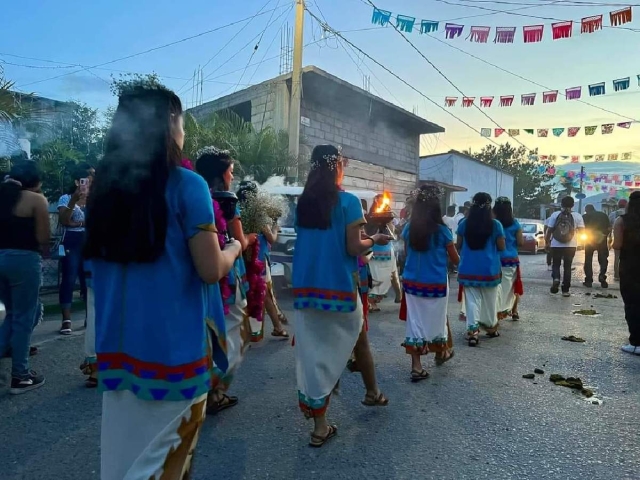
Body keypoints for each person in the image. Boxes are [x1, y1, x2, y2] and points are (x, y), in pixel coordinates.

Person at [84, 83, 240, 479]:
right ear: (170, 123)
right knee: (167, 460)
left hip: (119, 353)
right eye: (182, 123)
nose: (184, 133)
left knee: (129, 461)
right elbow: (210, 268)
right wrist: (235, 248)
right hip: (172, 356)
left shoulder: (104, 189)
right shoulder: (188, 185)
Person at [293, 144, 390, 447]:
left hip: (307, 289)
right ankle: (365, 396)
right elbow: (352, 247)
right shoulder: (348, 202)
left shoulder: (304, 203)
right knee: (350, 339)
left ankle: (325, 421)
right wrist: (374, 238)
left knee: (314, 352)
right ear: (337, 167)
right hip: (339, 288)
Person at [195, 147, 254, 415]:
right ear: (221, 175)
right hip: (227, 275)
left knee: (210, 333)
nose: (233, 177)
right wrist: (252, 238)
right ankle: (214, 390)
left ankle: (210, 389)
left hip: (201, 277)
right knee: (238, 334)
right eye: (231, 172)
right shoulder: (228, 201)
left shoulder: (194, 197)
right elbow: (239, 243)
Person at [0, 161, 50, 394]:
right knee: (22, 318)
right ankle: (20, 376)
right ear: (35, 181)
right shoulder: (36, 200)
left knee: (10, 316)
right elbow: (43, 238)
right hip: (24, 260)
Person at [401, 185, 458, 381]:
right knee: (437, 320)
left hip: (412, 281)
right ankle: (440, 352)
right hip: (436, 283)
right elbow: (455, 258)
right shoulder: (443, 231)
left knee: (414, 322)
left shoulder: (409, 228)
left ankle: (416, 366)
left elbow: (407, 254)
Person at [235, 180, 288, 341]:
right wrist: (275, 227)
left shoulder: (237, 212)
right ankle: (278, 327)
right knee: (265, 295)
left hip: (242, 259)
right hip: (258, 261)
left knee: (247, 293)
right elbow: (271, 239)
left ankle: (246, 330)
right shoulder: (258, 214)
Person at [457, 192, 505, 346]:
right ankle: (491, 328)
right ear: (489, 205)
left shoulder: (464, 223)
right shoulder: (496, 225)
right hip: (489, 269)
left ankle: (473, 332)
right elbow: (501, 246)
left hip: (468, 268)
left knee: (472, 301)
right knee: (490, 300)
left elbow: (458, 245)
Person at [57, 164, 93, 335]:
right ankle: (66, 319)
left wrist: (77, 223)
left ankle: (90, 316)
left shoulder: (95, 198)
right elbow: (64, 220)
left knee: (88, 281)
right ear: (77, 181)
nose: (92, 179)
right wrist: (73, 200)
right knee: (69, 279)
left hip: (90, 241)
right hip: (71, 241)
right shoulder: (65, 198)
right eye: (88, 176)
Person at [612, 192, 640, 355]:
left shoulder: (622, 221)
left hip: (630, 267)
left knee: (632, 303)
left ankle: (636, 342)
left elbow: (617, 245)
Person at [366, 195, 402, 311]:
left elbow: (393, 234)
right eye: (379, 203)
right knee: (375, 277)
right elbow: (368, 233)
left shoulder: (389, 218)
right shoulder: (369, 218)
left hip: (387, 251)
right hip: (374, 252)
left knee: (390, 274)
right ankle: (371, 302)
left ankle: (398, 294)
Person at [545, 196, 585, 297]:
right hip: (571, 245)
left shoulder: (555, 215)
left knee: (556, 264)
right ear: (573, 205)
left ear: (561, 204)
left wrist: (547, 243)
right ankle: (565, 290)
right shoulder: (577, 216)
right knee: (567, 266)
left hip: (556, 245)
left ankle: (556, 279)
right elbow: (582, 231)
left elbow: (549, 230)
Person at [493, 197, 524, 321]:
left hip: (494, 259)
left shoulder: (492, 223)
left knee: (495, 288)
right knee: (513, 286)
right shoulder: (515, 223)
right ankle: (514, 310)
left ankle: (495, 310)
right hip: (510, 260)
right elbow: (520, 242)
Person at [582, 204, 611, 288]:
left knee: (588, 259)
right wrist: (604, 235)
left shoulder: (585, 216)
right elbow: (609, 228)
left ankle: (588, 280)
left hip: (589, 240)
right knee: (603, 259)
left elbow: (581, 228)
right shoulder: (603, 215)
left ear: (586, 210)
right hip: (602, 240)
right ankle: (602, 276)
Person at [610, 198, 628, 282]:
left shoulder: (613, 214)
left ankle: (616, 276)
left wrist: (609, 238)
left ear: (618, 205)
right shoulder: (630, 214)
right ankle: (625, 275)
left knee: (616, 258)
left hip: (616, 238)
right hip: (627, 239)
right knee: (626, 258)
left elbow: (609, 227)